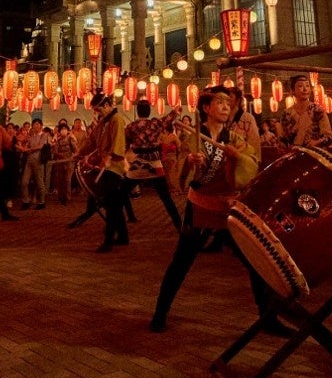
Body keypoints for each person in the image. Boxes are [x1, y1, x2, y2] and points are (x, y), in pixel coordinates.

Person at [149, 86, 286, 335]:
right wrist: (189, 163)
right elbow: (178, 171)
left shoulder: (233, 138)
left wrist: (238, 158)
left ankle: (268, 317)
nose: (225, 107)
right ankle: (160, 313)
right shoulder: (193, 138)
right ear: (206, 108)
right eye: (220, 102)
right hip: (201, 206)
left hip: (227, 209)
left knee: (255, 261)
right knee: (181, 262)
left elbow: (251, 163)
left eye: (227, 103)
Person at [75, 92, 131, 253]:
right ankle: (123, 236)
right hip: (105, 165)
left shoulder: (117, 120)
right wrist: (79, 153)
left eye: (98, 110)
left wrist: (110, 156)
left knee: (112, 205)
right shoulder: (103, 122)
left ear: (106, 105)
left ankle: (108, 241)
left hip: (114, 167)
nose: (97, 113)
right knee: (113, 205)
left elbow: (118, 143)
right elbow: (92, 141)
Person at [123, 100, 182, 232]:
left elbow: (125, 144)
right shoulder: (155, 123)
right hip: (155, 162)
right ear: (149, 111)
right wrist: (176, 110)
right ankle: (180, 225)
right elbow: (169, 118)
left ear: (137, 111)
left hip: (138, 162)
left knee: (120, 195)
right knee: (166, 197)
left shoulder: (131, 126)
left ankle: (115, 225)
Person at [263, 74, 332, 154]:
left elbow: (329, 137)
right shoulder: (287, 114)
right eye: (300, 86)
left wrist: (316, 142)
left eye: (307, 86)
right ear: (293, 91)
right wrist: (280, 143)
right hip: (293, 155)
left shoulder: (317, 111)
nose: (305, 89)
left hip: (314, 155)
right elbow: (283, 140)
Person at [18, 117, 47, 209]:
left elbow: (40, 146)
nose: (36, 126)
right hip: (29, 160)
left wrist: (29, 149)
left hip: (39, 161)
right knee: (24, 182)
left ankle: (42, 202)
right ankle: (25, 201)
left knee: (39, 182)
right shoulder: (31, 136)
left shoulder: (44, 135)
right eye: (34, 124)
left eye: (38, 124)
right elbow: (26, 147)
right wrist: (23, 148)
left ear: (41, 126)